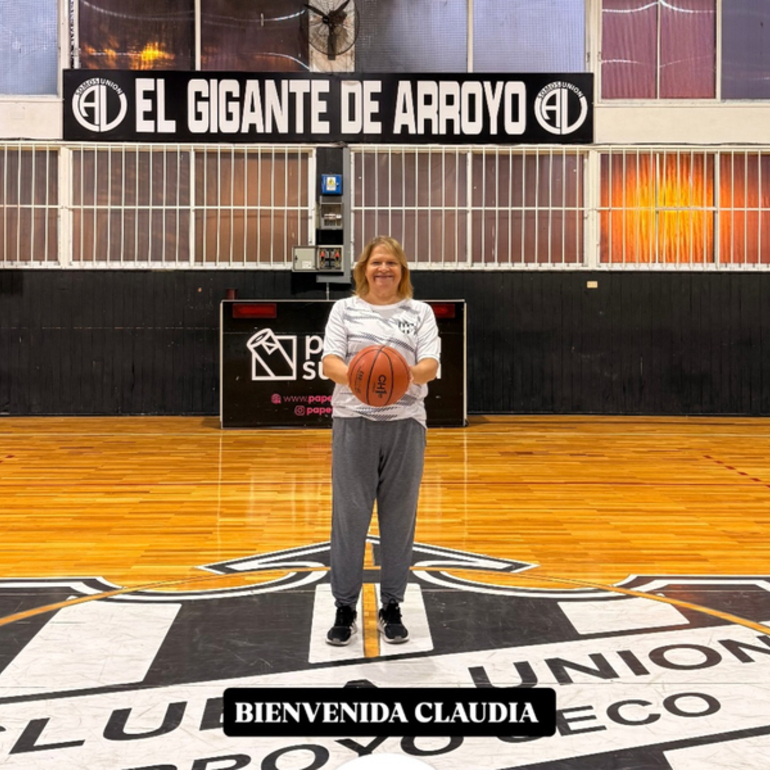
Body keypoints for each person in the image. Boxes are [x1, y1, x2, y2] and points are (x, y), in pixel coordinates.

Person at [322, 236, 440, 646]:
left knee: (399, 520)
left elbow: (429, 365)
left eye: (391, 263)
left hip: (406, 422)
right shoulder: (345, 309)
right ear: (363, 269)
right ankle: (344, 606)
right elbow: (330, 362)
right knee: (349, 520)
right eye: (376, 263)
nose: (383, 269)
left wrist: (396, 377)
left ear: (402, 270)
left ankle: (391, 604)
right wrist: (364, 377)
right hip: (353, 422)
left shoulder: (419, 312)